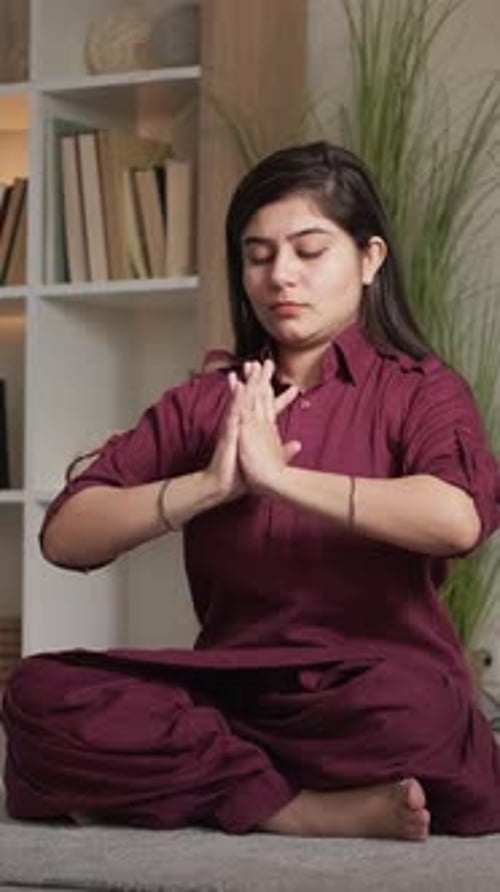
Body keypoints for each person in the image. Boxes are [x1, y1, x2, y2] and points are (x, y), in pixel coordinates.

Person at [3, 142, 500, 841]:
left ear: (369, 259)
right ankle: (294, 807)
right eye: (258, 255)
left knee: (421, 714)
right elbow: (66, 534)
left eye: (308, 250)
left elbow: (456, 519)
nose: (280, 276)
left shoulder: (421, 391)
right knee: (39, 693)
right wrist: (209, 486)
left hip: (368, 694)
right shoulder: (210, 401)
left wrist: (283, 482)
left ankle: (205, 781)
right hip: (234, 691)